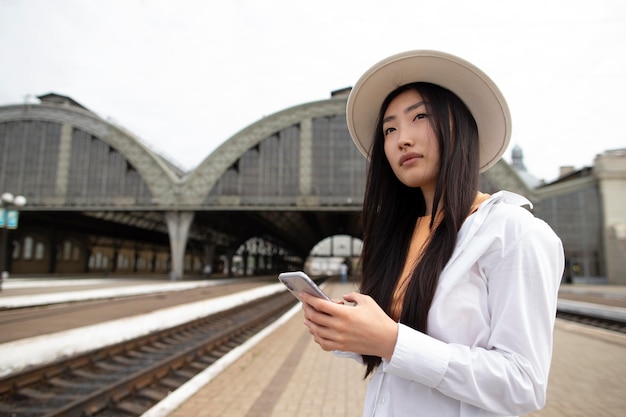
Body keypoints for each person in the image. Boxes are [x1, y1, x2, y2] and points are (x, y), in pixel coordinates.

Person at [301, 50, 564, 417]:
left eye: (420, 117)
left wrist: (393, 342)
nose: (401, 140)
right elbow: (399, 344)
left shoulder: (512, 232)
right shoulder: (400, 234)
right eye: (389, 129)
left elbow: (523, 384)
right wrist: (349, 333)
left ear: (458, 127)